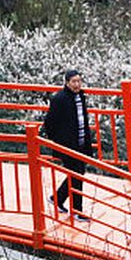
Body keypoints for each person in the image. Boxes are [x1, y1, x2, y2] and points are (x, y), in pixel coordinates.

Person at [43, 69, 95, 219]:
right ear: (67, 83)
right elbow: (49, 122)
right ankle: (76, 211)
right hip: (67, 145)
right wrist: (57, 140)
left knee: (77, 173)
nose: (77, 84)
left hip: (80, 142)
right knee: (77, 174)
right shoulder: (60, 99)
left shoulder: (81, 96)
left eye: (79, 81)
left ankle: (57, 198)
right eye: (74, 81)